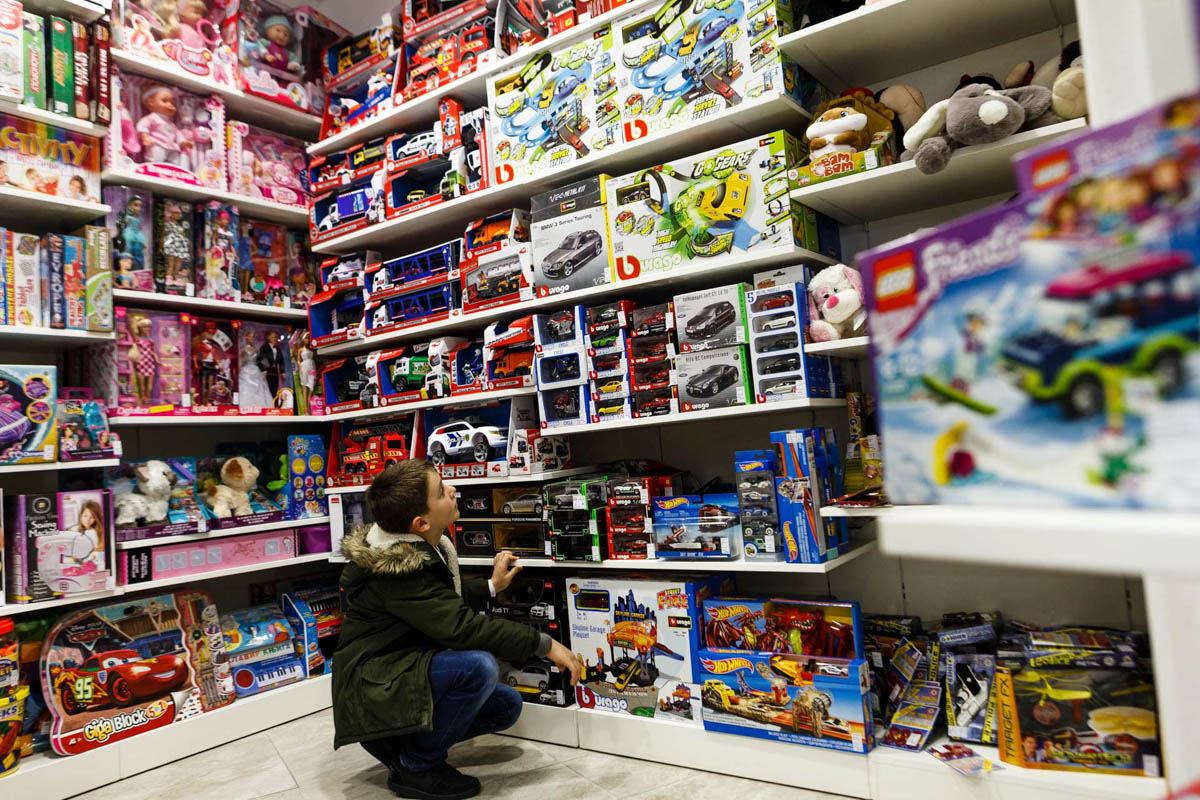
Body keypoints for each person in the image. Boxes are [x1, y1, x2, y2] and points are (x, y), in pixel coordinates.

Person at [332, 460, 582, 800]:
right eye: (441, 491)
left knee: (505, 705)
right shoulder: (399, 573)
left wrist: (491, 587)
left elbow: (436, 603)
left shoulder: (408, 550)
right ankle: (416, 766)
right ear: (420, 522)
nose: (453, 490)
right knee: (479, 667)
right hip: (373, 690)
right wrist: (542, 643)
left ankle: (403, 747)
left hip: (394, 677)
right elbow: (461, 628)